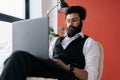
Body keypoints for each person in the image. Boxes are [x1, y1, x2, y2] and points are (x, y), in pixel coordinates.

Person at [0, 6, 100, 80]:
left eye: (74, 20)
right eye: (68, 21)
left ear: (82, 21)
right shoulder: (56, 41)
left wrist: (67, 67)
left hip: (68, 74)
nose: (70, 24)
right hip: (51, 69)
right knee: (17, 57)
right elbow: (46, 59)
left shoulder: (89, 43)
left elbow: (92, 76)